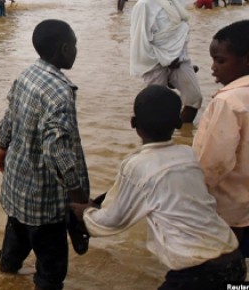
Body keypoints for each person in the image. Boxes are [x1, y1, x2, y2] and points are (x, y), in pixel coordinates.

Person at [71, 85, 245, 289]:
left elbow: (113, 221)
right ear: (179, 123)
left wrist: (87, 213)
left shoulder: (137, 166)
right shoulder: (189, 155)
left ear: (133, 123)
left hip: (197, 272)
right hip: (234, 259)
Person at [0, 19, 90, 290]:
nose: (76, 50)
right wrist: (79, 198)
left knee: (14, 246)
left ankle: (5, 277)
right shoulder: (60, 93)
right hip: (45, 203)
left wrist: (2, 147)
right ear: (64, 49)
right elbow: (57, 151)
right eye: (74, 45)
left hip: (17, 188)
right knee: (51, 272)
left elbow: (10, 115)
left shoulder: (27, 75)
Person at [193, 20, 249, 257]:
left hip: (230, 210)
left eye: (220, 61)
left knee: (224, 261)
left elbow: (215, 162)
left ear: (246, 60)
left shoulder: (228, 102)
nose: (213, 68)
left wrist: (193, 195)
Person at [130, 0, 202, 123]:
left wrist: (176, 56)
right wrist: (165, 60)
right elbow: (140, 41)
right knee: (157, 107)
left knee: (194, 98)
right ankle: (160, 136)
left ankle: (182, 131)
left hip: (179, 58)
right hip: (155, 62)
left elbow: (179, 32)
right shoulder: (145, 5)